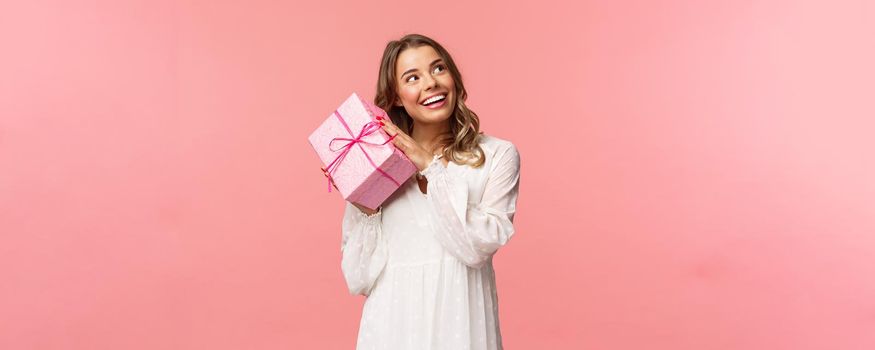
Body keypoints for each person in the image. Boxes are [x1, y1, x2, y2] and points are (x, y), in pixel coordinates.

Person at [323, 33, 521, 350]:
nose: (430, 83)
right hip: (392, 328)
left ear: (454, 78)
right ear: (397, 96)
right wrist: (366, 210)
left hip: (460, 326)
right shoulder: (377, 166)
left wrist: (429, 164)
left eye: (438, 69)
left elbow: (475, 249)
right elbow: (358, 278)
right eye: (412, 77)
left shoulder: (497, 155)